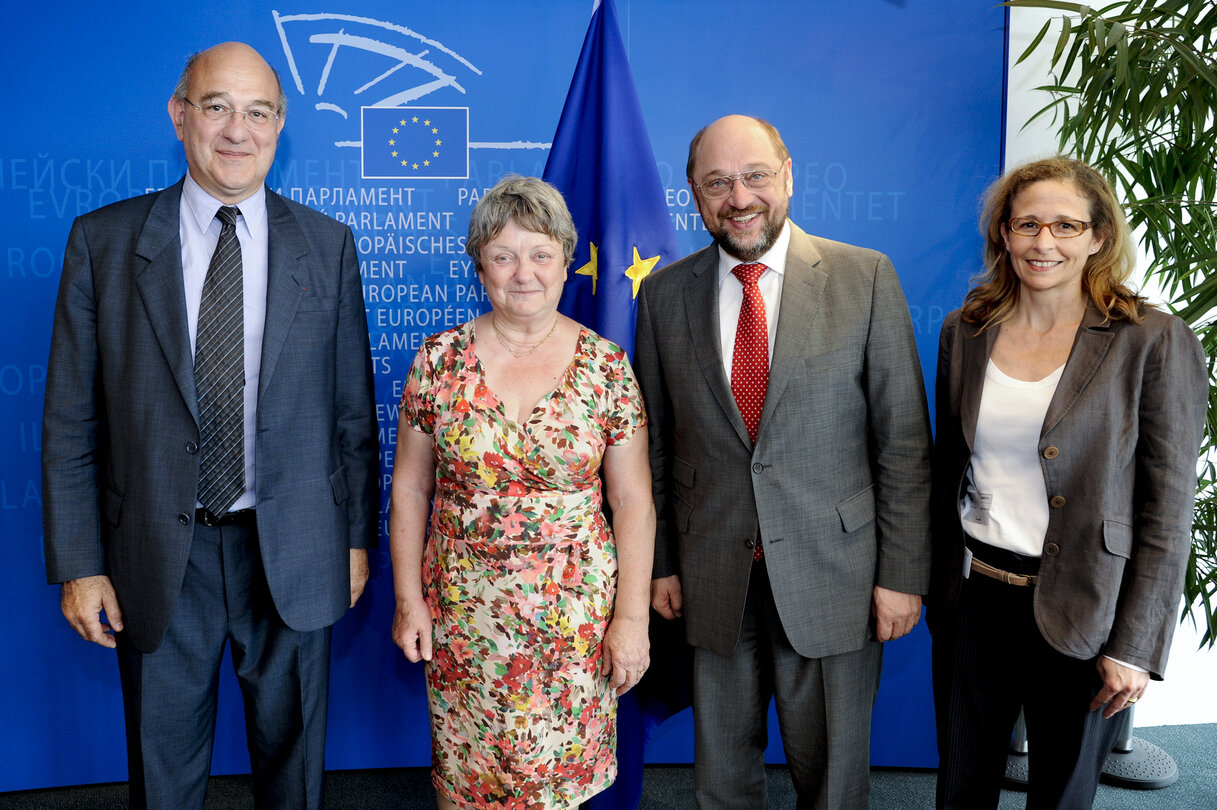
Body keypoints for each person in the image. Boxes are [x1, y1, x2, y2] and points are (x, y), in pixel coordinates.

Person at [41, 42, 378, 809]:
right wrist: (80, 563)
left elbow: (352, 416)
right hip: (158, 555)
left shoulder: (327, 246)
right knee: (163, 782)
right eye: (217, 106)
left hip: (292, 546)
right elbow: (69, 418)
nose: (237, 129)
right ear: (180, 113)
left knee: (295, 778)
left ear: (280, 125)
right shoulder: (105, 243)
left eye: (257, 111)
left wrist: (353, 541)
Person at [633, 114, 932, 809]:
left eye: (754, 176)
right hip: (711, 575)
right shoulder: (663, 295)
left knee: (831, 781)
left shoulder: (863, 278)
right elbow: (652, 445)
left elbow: (904, 443)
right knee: (720, 780)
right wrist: (661, 563)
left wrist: (900, 574)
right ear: (693, 194)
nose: (738, 197)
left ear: (787, 175)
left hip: (838, 577)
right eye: (716, 183)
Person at [928, 156, 1206, 809]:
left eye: (1063, 226)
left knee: (1059, 796)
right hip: (974, 599)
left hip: (1086, 606)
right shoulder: (966, 332)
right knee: (960, 789)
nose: (1042, 243)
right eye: (1026, 224)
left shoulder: (1150, 340)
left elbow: (1166, 509)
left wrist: (1134, 647)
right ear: (1002, 234)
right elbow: (946, 469)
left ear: (1098, 237)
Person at [389, 175, 655, 809]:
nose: (523, 272)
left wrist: (632, 619)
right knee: (467, 787)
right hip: (465, 621)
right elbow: (408, 488)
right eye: (504, 255)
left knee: (556, 791)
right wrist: (407, 602)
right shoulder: (438, 362)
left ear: (567, 262)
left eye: (540, 253)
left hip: (574, 627)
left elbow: (634, 502)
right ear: (480, 264)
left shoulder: (606, 368)